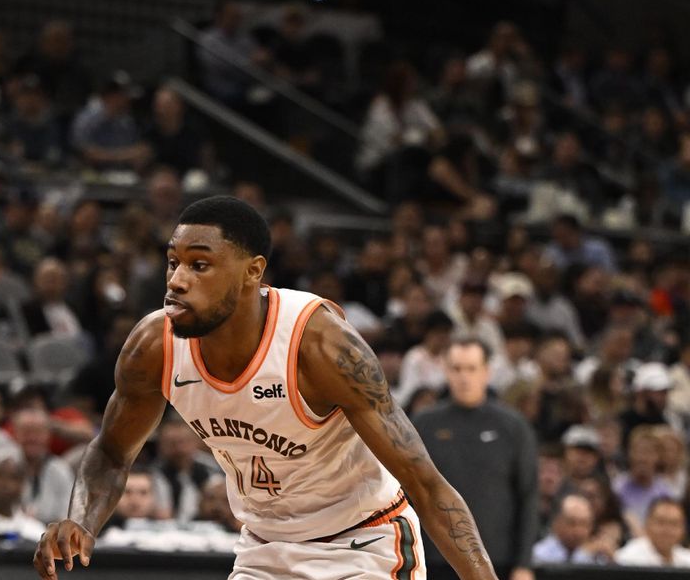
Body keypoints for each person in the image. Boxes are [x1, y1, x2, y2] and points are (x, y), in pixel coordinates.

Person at [33, 196, 499, 580]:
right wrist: (82, 520)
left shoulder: (319, 345)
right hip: (265, 548)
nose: (176, 281)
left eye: (199, 266)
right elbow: (112, 452)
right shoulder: (154, 346)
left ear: (252, 271)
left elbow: (425, 483)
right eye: (173, 263)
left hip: (364, 542)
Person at [412, 338, 538, 580]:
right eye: (456, 369)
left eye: (471, 369)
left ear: (486, 372)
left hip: (497, 560)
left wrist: (524, 564)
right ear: (445, 371)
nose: (464, 377)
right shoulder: (423, 424)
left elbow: (528, 495)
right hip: (434, 559)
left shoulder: (512, 426)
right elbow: (407, 493)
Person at [614, 497, 690, 567]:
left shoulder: (687, 559)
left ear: (683, 529)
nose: (667, 530)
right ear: (647, 524)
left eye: (674, 524)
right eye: (661, 522)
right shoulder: (626, 558)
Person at [532, 493, 598, 564]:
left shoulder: (589, 558)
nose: (578, 531)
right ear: (556, 524)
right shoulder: (537, 557)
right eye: (572, 523)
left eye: (584, 524)